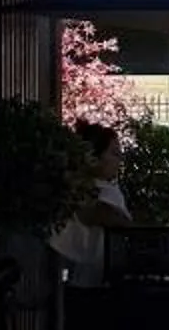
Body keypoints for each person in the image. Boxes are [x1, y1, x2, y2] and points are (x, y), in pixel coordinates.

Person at [53, 123, 133, 287]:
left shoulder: (105, 189)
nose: (119, 159)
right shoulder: (86, 190)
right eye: (113, 153)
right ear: (94, 158)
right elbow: (103, 215)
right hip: (88, 283)